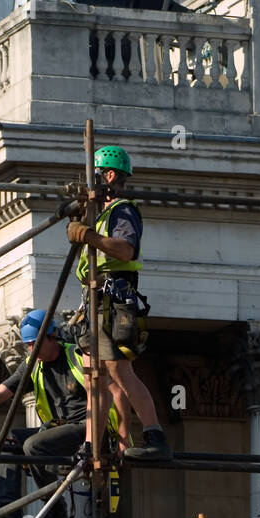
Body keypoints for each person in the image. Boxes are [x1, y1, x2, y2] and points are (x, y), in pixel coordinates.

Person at [0, 311, 122, 518]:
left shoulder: (76, 355)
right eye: (28, 345)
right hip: (62, 430)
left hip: (92, 430)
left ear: (51, 337)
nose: (31, 349)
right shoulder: (32, 365)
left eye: (34, 344)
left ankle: (55, 511)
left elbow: (103, 398)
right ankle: (8, 509)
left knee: (34, 445)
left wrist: (92, 444)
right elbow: (0, 392)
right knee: (9, 441)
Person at [66, 144, 171, 461]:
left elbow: (126, 250)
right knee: (93, 379)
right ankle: (90, 446)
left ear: (109, 175)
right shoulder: (101, 213)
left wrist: (89, 236)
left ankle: (154, 436)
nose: (88, 185)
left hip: (113, 301)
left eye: (94, 176)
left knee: (120, 372)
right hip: (95, 302)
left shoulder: (122, 209)